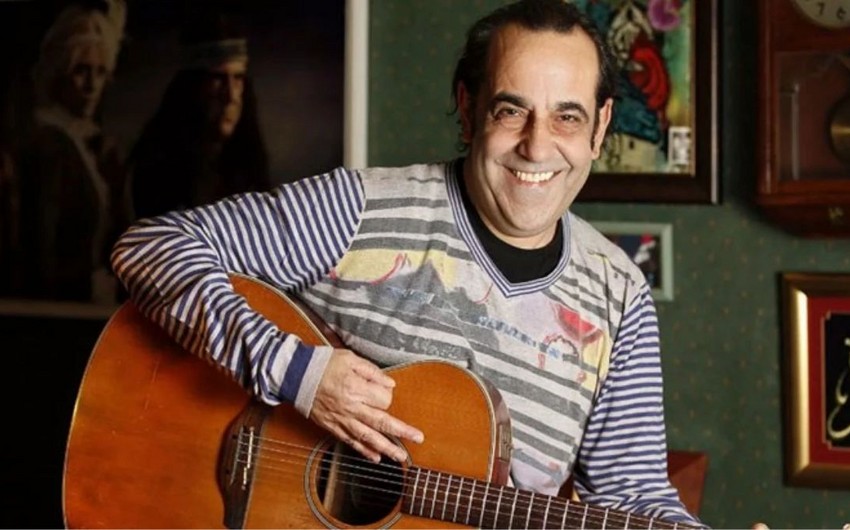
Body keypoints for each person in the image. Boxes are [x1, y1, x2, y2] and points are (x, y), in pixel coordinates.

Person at [112, 0, 702, 525]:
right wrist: (298, 375)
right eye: (510, 111)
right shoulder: (358, 209)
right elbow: (150, 247)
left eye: (567, 117)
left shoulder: (620, 296)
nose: (537, 145)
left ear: (600, 127)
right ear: (467, 109)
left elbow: (632, 496)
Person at [16, 0, 130, 303]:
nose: (92, 85)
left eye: (100, 72)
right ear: (59, 73)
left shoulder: (93, 144)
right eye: (81, 71)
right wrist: (84, 285)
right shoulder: (48, 144)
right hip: (60, 304)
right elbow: (40, 248)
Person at [128, 7, 269, 219]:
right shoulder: (157, 166)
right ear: (193, 87)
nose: (231, 95)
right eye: (218, 79)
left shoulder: (248, 166)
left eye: (238, 78)